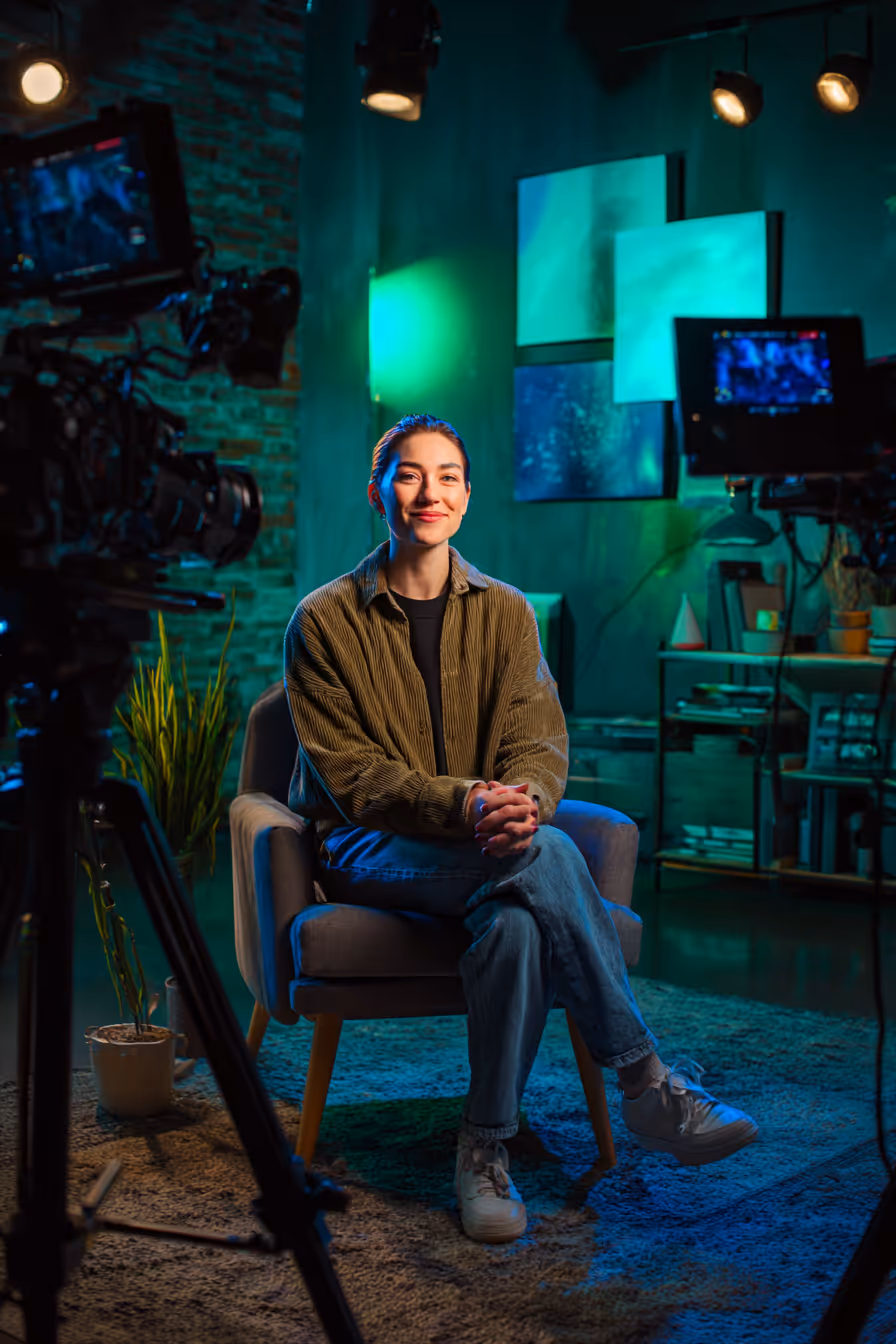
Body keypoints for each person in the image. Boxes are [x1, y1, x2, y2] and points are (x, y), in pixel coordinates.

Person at [283, 412, 758, 1245]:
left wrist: (522, 801)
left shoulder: (506, 613)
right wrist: (469, 802)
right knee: (544, 854)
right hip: (367, 847)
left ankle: (483, 1150)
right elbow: (355, 779)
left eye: (448, 475)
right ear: (377, 491)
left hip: (489, 847)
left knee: (514, 926)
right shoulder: (322, 622)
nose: (429, 492)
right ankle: (645, 1080)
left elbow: (538, 740)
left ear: (468, 494)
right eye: (408, 473)